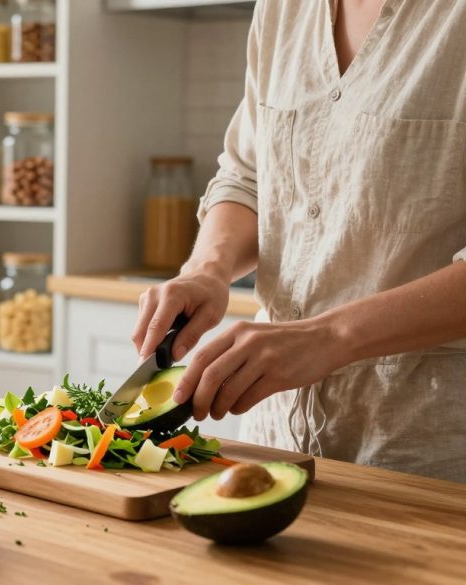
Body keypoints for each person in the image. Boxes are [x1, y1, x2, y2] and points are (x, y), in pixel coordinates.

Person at [131, 0, 466, 483]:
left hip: (427, 456)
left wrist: (330, 336)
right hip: (272, 442)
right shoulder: (284, 8)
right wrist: (208, 268)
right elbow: (248, 176)